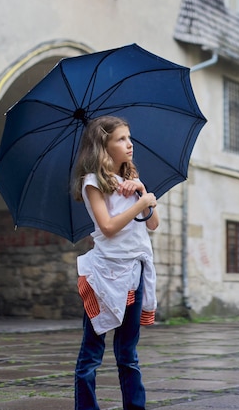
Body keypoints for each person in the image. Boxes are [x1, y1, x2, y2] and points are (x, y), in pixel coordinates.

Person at [72, 116, 160, 410]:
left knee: (128, 354)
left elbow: (153, 225)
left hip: (133, 274)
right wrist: (140, 202)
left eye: (129, 137)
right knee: (91, 355)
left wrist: (141, 190)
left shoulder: (131, 181)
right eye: (121, 139)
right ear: (104, 146)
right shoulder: (92, 182)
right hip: (104, 277)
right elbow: (108, 227)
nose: (129, 143)